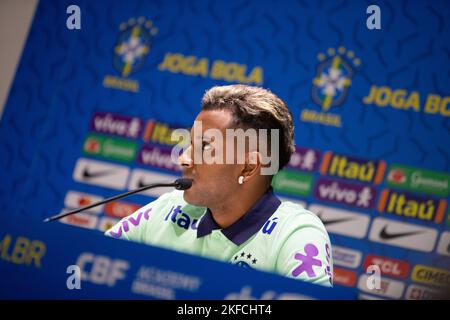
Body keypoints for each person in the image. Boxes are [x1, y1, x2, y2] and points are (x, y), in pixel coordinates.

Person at [106, 84, 333, 287]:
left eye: (204, 147)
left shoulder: (295, 232)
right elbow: (93, 263)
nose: (183, 158)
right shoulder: (169, 210)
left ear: (248, 167)